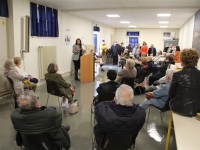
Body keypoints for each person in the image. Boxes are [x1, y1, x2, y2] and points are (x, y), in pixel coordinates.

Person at [94, 84, 146, 148]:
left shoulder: (103, 111)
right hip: (127, 144)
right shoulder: (141, 113)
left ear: (115, 98)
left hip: (104, 144)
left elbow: (98, 110)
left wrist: (112, 102)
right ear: (132, 99)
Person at [169, 48, 200, 116]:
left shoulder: (177, 75)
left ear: (182, 60)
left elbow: (171, 93)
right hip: (198, 109)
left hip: (180, 108)